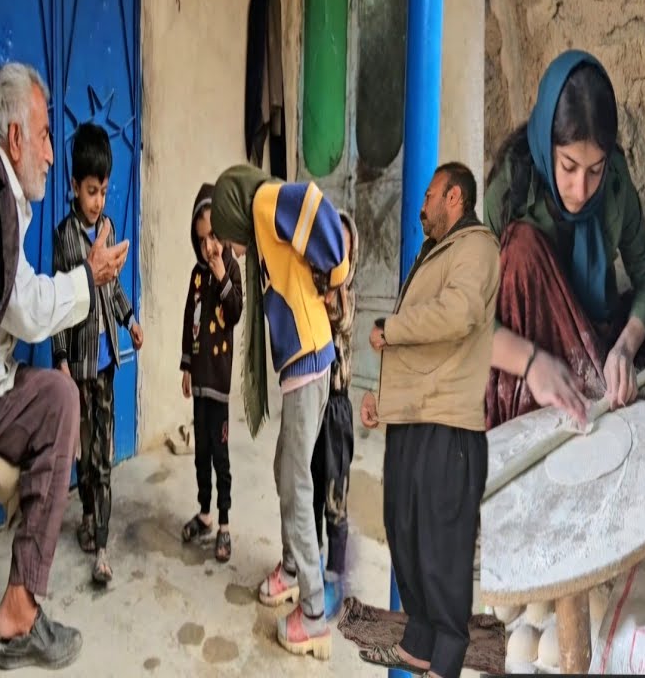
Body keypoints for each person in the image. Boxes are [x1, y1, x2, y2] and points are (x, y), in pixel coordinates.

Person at [0, 62, 128, 673]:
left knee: (60, 400)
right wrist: (88, 277)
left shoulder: (14, 206)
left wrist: (89, 283)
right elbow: (26, 307)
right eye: (44, 136)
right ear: (16, 138)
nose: (51, 152)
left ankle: (19, 610)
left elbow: (21, 299)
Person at [358, 162, 500, 678]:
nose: (423, 205)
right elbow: (418, 350)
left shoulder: (477, 250)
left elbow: (456, 315)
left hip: (448, 421)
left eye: (430, 195)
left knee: (440, 544)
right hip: (414, 415)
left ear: (455, 198)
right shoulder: (436, 253)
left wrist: (391, 328)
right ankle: (419, 642)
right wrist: (383, 399)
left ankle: (445, 658)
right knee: (404, 528)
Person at [208, 163, 350, 659]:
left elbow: (313, 204)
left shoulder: (264, 203)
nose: (232, 248)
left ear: (233, 213)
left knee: (296, 482)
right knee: (284, 469)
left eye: (229, 239)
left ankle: (312, 614)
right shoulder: (263, 221)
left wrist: (336, 273)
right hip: (302, 363)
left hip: (309, 360)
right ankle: (292, 570)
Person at [482, 50, 645, 430]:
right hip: (527, 348)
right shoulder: (509, 192)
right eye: (568, 167)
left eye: (594, 170)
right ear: (546, 144)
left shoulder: (614, 184)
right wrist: (531, 363)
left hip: (592, 338)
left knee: (644, 417)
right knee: (520, 248)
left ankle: (592, 377)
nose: (581, 189)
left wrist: (625, 349)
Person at [52, 122, 144, 585]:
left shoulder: (107, 228)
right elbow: (59, 306)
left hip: (108, 361)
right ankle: (88, 518)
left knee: (102, 456)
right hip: (79, 367)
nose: (99, 201)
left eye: (104, 191)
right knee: (85, 456)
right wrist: (61, 361)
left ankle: (102, 549)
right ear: (73, 186)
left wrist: (130, 321)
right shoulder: (64, 237)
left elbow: (113, 292)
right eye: (91, 191)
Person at [178, 183, 244, 564]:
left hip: (218, 381)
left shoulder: (230, 269)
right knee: (201, 451)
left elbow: (234, 312)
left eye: (215, 237)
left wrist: (222, 273)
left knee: (220, 454)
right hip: (199, 378)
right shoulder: (195, 275)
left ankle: (223, 522)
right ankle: (204, 512)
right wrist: (186, 364)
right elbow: (190, 318)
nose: (210, 248)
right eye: (203, 240)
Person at [311, 210, 359, 619]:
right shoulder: (313, 287)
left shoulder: (347, 294)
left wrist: (332, 287)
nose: (336, 251)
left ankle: (335, 577)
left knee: (334, 496)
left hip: (337, 407)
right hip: (312, 402)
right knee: (309, 488)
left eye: (342, 243)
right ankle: (311, 565)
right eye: (331, 243)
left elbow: (338, 319)